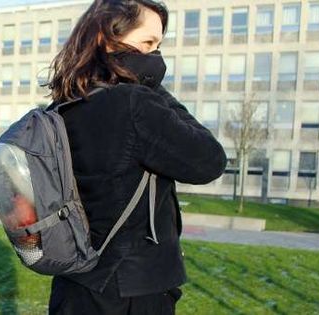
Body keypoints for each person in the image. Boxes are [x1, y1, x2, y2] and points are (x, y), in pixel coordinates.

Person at [45, 0, 227, 314]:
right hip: (132, 289)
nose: (155, 56)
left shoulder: (64, 104)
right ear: (106, 37)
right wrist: (150, 85)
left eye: (158, 45)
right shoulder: (134, 104)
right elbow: (209, 160)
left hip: (73, 283)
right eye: (147, 43)